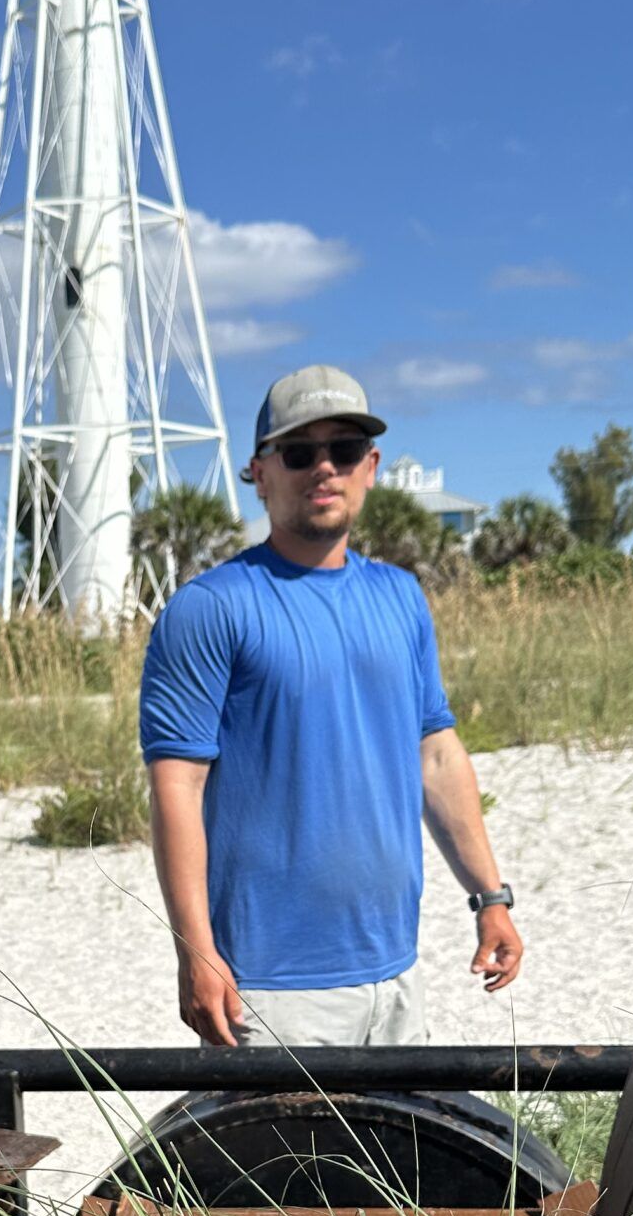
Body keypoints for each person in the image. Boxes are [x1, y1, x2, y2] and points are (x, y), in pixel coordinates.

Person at [138, 364, 522, 1048]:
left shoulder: (401, 597)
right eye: (299, 452)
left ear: (371, 467)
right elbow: (178, 787)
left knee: (396, 1160)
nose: (324, 468)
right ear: (258, 471)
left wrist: (491, 897)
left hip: (395, 974)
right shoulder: (210, 609)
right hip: (267, 987)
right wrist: (195, 952)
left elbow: (435, 755)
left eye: (343, 451)